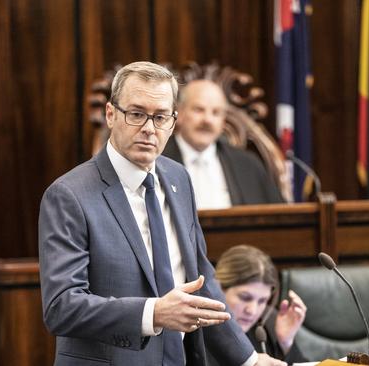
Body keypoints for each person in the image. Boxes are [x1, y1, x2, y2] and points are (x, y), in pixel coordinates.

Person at [39, 61, 286, 366]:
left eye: (159, 117)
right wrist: (153, 313)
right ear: (111, 114)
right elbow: (61, 307)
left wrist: (249, 360)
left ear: (173, 122)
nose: (148, 128)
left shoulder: (177, 178)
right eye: (136, 114)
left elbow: (202, 282)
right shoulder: (69, 195)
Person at [162, 79, 285, 209]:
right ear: (179, 113)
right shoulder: (156, 160)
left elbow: (279, 218)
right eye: (199, 110)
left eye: (216, 113)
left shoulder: (247, 164)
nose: (207, 120)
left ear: (223, 121)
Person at [208, 245, 308, 365]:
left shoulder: (267, 326)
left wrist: (285, 343)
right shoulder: (198, 332)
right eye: (245, 297)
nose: (252, 311)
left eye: (262, 301)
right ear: (218, 289)